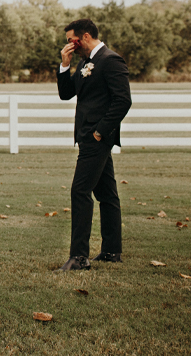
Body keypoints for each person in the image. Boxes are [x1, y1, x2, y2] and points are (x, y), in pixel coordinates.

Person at [55, 19, 131, 272]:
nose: (69, 45)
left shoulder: (111, 60)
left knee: (80, 191)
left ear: (84, 36)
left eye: (71, 40)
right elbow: (67, 94)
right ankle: (111, 251)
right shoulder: (85, 63)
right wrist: (64, 66)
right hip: (87, 135)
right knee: (107, 194)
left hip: (96, 137)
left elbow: (123, 101)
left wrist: (100, 132)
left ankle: (79, 257)